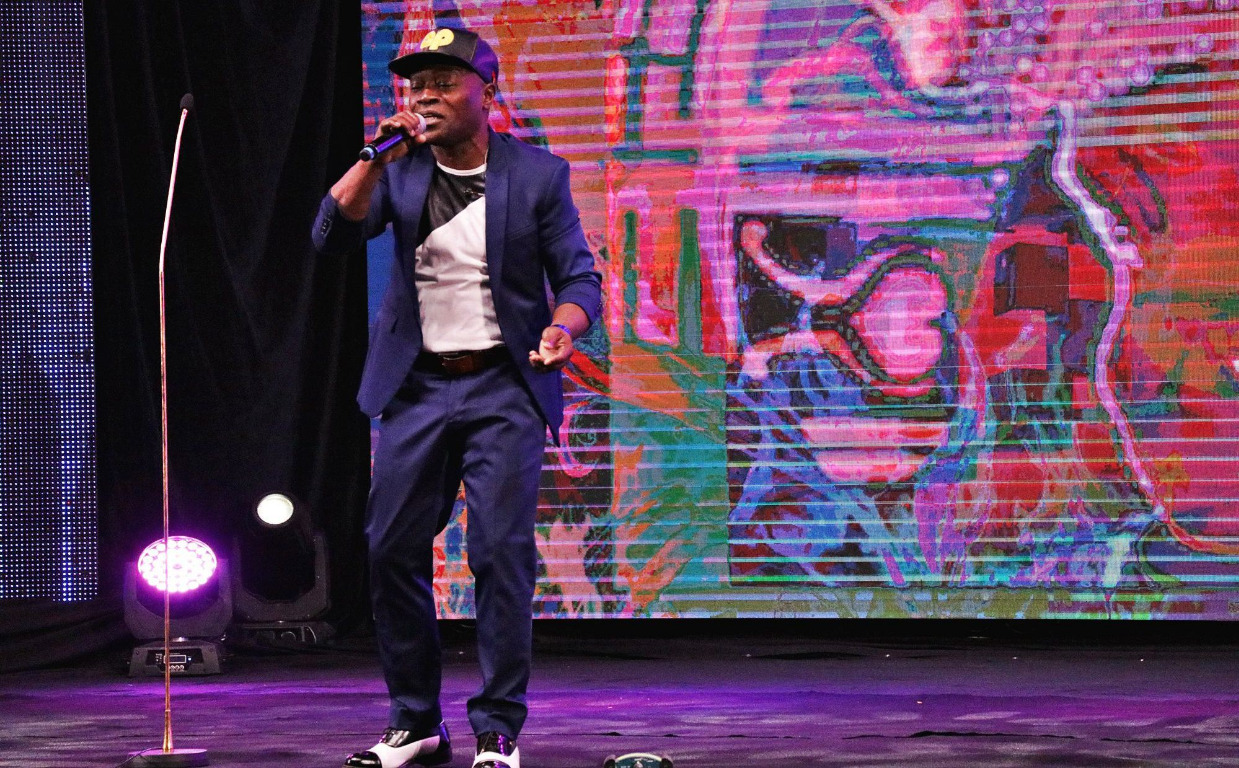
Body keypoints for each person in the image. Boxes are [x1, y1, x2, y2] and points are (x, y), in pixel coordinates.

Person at [312, 26, 601, 768]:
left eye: (443, 83)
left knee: (500, 555)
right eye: (417, 85)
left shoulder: (537, 175)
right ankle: (415, 721)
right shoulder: (399, 171)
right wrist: (373, 157)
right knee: (390, 550)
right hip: (416, 387)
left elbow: (578, 277)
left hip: (503, 386)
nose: (426, 96)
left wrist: (564, 328)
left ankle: (497, 727)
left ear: (487, 92)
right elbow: (331, 234)